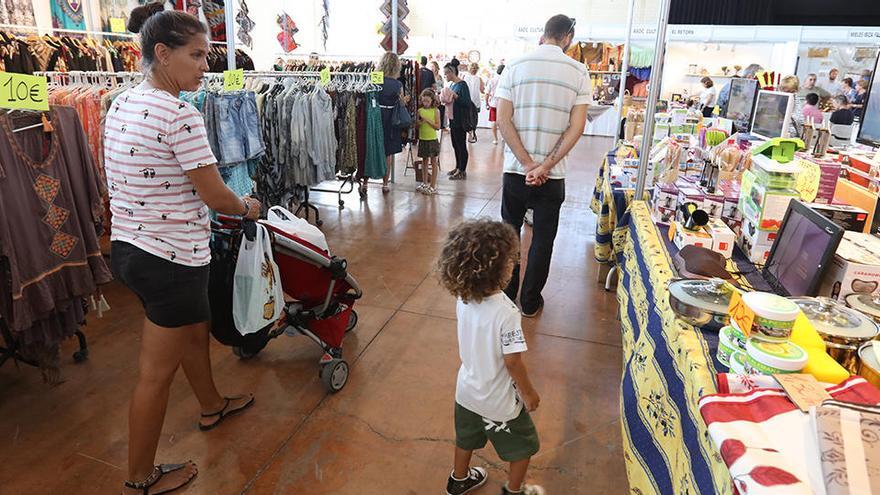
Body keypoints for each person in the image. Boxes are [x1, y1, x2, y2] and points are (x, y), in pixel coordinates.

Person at [110, 4, 258, 494]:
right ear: (162, 53)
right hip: (169, 258)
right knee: (155, 375)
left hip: (133, 248)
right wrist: (247, 206)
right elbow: (216, 196)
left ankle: (212, 403)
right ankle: (138, 478)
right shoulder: (180, 114)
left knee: (196, 329)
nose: (204, 65)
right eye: (195, 55)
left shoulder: (123, 102)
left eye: (206, 55)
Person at [437, 219, 544, 495]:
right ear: (497, 270)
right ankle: (514, 489)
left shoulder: (463, 296)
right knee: (523, 447)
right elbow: (512, 361)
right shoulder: (507, 312)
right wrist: (529, 392)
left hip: (467, 391)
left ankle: (459, 479)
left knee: (466, 438)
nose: (513, 266)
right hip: (498, 402)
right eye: (510, 262)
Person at [495, 14, 590, 317]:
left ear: (543, 33)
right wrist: (545, 165)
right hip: (553, 175)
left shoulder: (515, 66)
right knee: (543, 240)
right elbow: (576, 126)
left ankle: (507, 298)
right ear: (568, 37)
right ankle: (531, 301)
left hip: (515, 171)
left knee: (510, 234)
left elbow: (502, 118)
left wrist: (526, 163)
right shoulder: (578, 71)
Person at [376, 51, 407, 193]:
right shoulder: (397, 84)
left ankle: (365, 182)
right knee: (388, 152)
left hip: (376, 115)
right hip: (391, 117)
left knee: (373, 147)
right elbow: (401, 102)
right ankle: (385, 183)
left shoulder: (375, 78)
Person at [442, 63, 473, 181]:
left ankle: (462, 170)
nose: (445, 76)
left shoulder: (462, 85)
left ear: (451, 72)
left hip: (460, 120)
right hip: (453, 119)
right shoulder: (453, 85)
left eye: (446, 73)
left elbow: (466, 102)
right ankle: (457, 167)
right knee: (455, 145)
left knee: (461, 145)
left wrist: (455, 97)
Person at [417, 88, 441, 195]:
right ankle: (424, 182)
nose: (425, 103)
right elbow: (417, 126)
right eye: (423, 101)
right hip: (423, 139)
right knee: (424, 161)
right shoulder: (420, 111)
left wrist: (427, 121)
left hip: (432, 140)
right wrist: (419, 123)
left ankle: (433, 185)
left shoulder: (436, 111)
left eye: (427, 101)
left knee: (434, 162)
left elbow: (437, 126)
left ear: (432, 100)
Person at [462, 63, 485, 143]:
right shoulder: (478, 78)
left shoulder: (465, 77)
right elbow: (482, 90)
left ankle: (471, 133)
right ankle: (471, 133)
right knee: (473, 118)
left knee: (469, 118)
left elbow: (482, 89)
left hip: (470, 101)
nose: (474, 70)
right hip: (473, 101)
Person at [486, 64, 505, 145]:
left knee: (493, 121)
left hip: (493, 103)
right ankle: (503, 138)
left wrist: (486, 103)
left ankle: (495, 139)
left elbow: (487, 93)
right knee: (503, 121)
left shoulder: (492, 80)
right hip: (503, 103)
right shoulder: (505, 80)